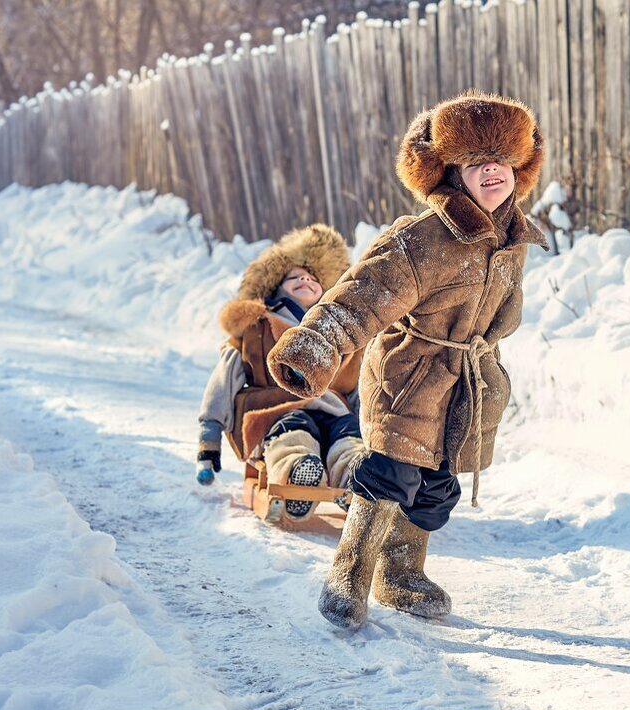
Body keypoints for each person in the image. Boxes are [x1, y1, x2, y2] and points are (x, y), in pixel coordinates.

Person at [267, 91, 550, 628]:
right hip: (411, 378)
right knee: (388, 477)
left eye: (502, 162)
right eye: (475, 163)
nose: (492, 173)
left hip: (468, 387)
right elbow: (361, 295)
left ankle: (399, 575)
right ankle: (348, 575)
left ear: (519, 167)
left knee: (438, 487)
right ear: (449, 173)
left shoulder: (514, 241)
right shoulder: (421, 239)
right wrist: (315, 346)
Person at [197, 223, 365, 520]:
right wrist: (209, 438)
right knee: (296, 427)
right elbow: (223, 381)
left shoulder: (342, 335)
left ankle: (353, 474)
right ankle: (298, 472)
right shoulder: (256, 328)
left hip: (334, 413)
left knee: (347, 433)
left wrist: (370, 429)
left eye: (312, 277)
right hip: (276, 410)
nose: (304, 279)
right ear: (274, 288)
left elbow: (359, 389)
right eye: (293, 277)